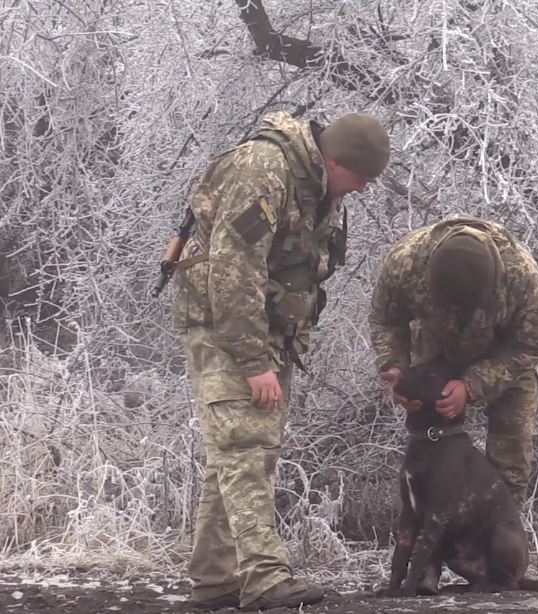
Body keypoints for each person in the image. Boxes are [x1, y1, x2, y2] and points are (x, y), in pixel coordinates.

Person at [171, 110, 390, 611]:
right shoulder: (263, 169)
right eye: (360, 179)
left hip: (267, 329)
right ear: (334, 161)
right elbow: (232, 268)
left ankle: (214, 579)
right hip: (227, 328)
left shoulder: (315, 185)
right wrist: (252, 361)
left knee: (240, 450)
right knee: (245, 446)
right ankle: (266, 579)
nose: (362, 190)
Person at [368, 214, 538, 509]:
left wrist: (471, 385)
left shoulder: (520, 274)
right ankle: (433, 530)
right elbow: (386, 320)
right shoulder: (406, 262)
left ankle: (500, 536)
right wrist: (394, 367)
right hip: (436, 352)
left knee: (510, 456)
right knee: (429, 449)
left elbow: (531, 345)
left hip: (505, 358)